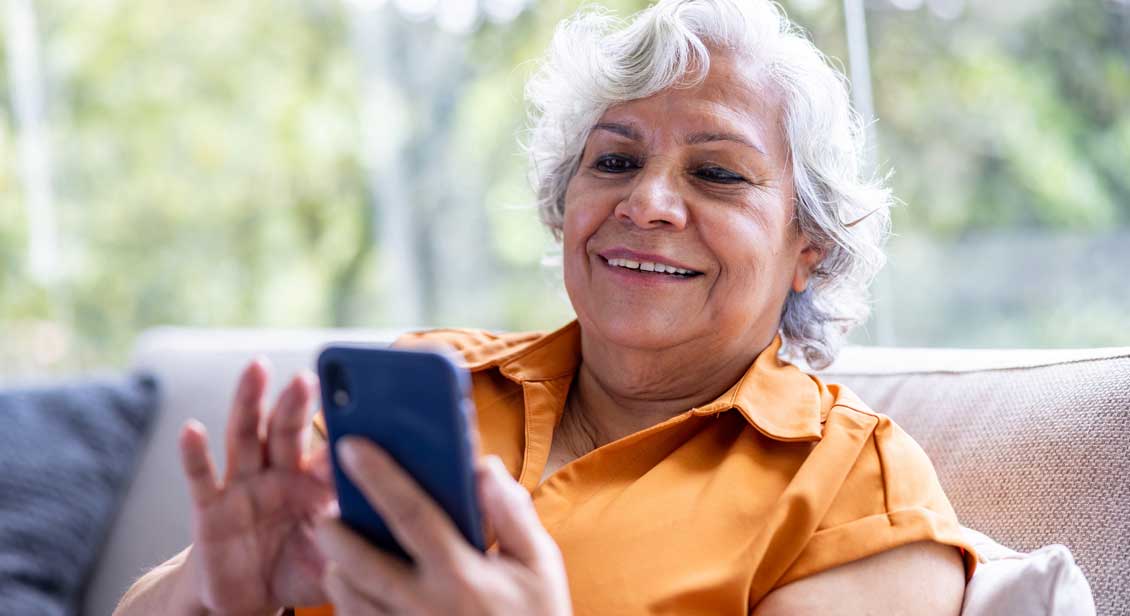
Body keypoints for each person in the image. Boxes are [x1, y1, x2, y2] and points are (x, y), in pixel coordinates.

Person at [115, 0, 978, 613]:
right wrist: (212, 591)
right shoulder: (433, 377)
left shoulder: (856, 485)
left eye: (716, 172)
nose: (647, 204)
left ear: (809, 246)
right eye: (612, 162)